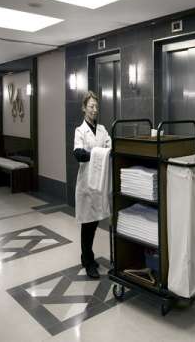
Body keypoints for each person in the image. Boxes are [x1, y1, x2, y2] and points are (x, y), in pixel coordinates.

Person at [73, 91, 111, 279]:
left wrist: (99, 152)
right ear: (84, 108)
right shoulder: (80, 131)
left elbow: (110, 148)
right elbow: (78, 154)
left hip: (99, 183)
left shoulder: (102, 130)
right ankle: (88, 261)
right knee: (87, 224)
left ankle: (86, 256)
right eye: (91, 106)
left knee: (94, 222)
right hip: (86, 185)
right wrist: (97, 153)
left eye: (96, 106)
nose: (94, 110)